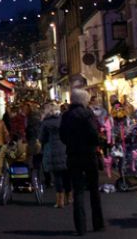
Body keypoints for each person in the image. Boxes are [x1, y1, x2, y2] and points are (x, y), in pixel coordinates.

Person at [60, 89, 104, 236]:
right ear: (84, 100)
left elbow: (63, 136)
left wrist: (71, 144)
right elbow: (93, 133)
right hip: (89, 154)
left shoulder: (66, 115)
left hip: (73, 155)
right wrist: (95, 144)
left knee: (78, 191)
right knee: (93, 189)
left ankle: (80, 227)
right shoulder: (88, 114)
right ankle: (98, 223)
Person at [40, 103, 70, 208]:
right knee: (66, 173)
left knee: (57, 176)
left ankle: (59, 200)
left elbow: (42, 138)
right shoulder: (63, 120)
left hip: (52, 150)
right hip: (64, 148)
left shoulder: (46, 123)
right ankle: (69, 196)